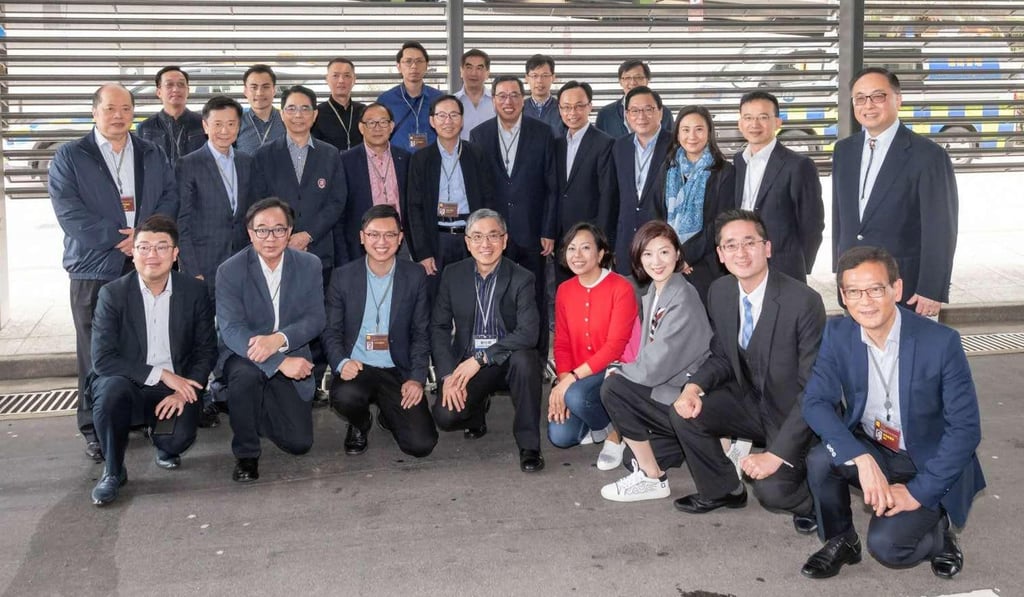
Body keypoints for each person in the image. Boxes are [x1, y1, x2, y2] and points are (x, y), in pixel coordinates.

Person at [800, 246, 984, 580]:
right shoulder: (838, 334)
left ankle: (939, 532)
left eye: (875, 289)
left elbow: (966, 430)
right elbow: (814, 401)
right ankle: (841, 540)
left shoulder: (940, 342)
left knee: (889, 548)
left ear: (896, 290)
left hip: (928, 458)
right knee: (821, 459)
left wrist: (917, 492)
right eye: (853, 292)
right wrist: (859, 456)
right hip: (875, 446)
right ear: (842, 296)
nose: (865, 301)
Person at [670, 210, 825, 535]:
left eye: (749, 243)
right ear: (721, 255)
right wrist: (693, 386)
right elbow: (723, 355)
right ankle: (722, 490)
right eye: (731, 245)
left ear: (767, 247)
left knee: (772, 491)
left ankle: (810, 502)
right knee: (684, 412)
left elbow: (813, 390)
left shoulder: (803, 302)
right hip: (750, 403)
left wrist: (776, 454)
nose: (741, 253)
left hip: (794, 414)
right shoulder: (721, 291)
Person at [48, 83, 179, 461]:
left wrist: (144, 237)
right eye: (110, 108)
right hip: (94, 266)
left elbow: (170, 197)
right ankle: (94, 427)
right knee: (95, 350)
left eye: (125, 108)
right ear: (95, 112)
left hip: (147, 266)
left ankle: (139, 417)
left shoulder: (150, 152)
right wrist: (117, 238)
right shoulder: (71, 156)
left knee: (146, 342)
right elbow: (69, 212)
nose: (118, 115)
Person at [88, 215, 217, 505]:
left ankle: (161, 439)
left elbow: (206, 350)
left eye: (161, 247)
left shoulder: (194, 292)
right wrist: (163, 375)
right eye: (144, 247)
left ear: (175, 254)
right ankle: (113, 471)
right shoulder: (113, 294)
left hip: (174, 388)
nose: (152, 255)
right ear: (132, 252)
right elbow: (103, 360)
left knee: (175, 441)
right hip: (129, 382)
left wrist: (187, 390)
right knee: (109, 392)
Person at [599, 221, 712, 502]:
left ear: (677, 254)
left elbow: (653, 366)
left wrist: (616, 370)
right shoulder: (655, 291)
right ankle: (704, 447)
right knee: (630, 457)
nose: (656, 261)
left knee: (613, 388)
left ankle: (653, 479)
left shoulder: (683, 296)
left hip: (692, 398)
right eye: (647, 254)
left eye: (664, 252)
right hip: (669, 389)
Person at [831, 67, 958, 317]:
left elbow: (941, 228)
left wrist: (932, 288)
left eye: (878, 96)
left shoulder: (928, 156)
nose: (868, 105)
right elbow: (841, 218)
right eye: (860, 98)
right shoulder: (844, 151)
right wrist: (841, 272)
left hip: (906, 287)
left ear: (898, 100)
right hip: (856, 285)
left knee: (913, 354)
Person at [216, 198, 326, 482]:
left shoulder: (309, 264)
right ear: (250, 233)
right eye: (261, 230)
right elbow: (231, 329)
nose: (270, 237)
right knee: (245, 377)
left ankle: (251, 409)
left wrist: (279, 340)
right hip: (244, 356)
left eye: (279, 230)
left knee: (299, 443)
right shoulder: (230, 270)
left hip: (292, 351)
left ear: (289, 232)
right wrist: (279, 362)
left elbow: (315, 319)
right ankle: (246, 454)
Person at [430, 209, 545, 473]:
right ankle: (476, 410)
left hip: (507, 361)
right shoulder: (452, 275)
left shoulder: (522, 278)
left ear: (505, 241)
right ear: (467, 242)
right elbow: (439, 326)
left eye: (493, 236)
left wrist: (482, 358)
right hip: (468, 363)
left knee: (526, 359)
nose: (486, 244)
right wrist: (448, 375)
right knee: (445, 417)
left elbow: (529, 333)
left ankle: (529, 445)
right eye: (478, 237)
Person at [323, 205, 437, 458]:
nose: (381, 242)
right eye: (374, 234)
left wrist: (417, 378)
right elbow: (331, 331)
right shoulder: (343, 277)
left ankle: (389, 412)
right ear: (362, 237)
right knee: (345, 396)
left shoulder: (415, 275)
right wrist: (341, 362)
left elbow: (421, 333)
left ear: (400, 238)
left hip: (398, 370)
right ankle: (360, 424)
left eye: (389, 235)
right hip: (359, 366)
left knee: (421, 445)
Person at [470, 75, 557, 359]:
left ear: (523, 99)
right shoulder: (479, 134)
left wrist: (548, 229)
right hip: (493, 236)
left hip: (532, 232)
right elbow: (479, 189)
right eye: (502, 96)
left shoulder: (542, 132)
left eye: (514, 95)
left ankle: (539, 358)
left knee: (535, 297)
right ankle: (496, 358)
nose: (508, 102)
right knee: (494, 296)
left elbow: (551, 186)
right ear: (493, 100)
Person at [548, 223, 637, 470]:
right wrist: (564, 379)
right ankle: (599, 420)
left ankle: (615, 434)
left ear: (600, 254)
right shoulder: (565, 290)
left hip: (613, 371)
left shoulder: (621, 288)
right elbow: (562, 342)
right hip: (578, 377)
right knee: (560, 437)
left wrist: (568, 385)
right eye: (571, 248)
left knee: (575, 395)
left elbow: (614, 347)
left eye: (586, 248)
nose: (577, 255)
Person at [252, 85, 347, 278]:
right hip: (276, 250)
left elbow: (336, 201)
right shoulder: (263, 155)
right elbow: (258, 203)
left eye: (305, 109)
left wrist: (307, 235)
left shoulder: (330, 154)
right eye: (292, 108)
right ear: (282, 114)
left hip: (320, 250)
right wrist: (284, 237)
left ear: (315, 115)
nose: (298, 115)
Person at [732, 91, 824, 283]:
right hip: (742, 264)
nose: (754, 124)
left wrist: (800, 263)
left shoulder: (798, 165)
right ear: (740, 123)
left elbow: (812, 224)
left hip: (784, 268)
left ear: (777, 123)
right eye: (748, 118)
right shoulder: (738, 162)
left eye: (763, 117)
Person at [406, 95, 492, 297]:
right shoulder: (420, 158)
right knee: (435, 301)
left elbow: (488, 198)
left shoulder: (476, 154)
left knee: (471, 298)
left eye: (454, 115)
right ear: (432, 121)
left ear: (462, 120)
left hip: (470, 238)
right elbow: (414, 207)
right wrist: (423, 252)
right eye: (442, 115)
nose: (448, 121)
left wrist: (483, 239)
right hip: (436, 238)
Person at [176, 95, 254, 298]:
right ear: (205, 126)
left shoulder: (248, 162)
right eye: (217, 124)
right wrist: (193, 271)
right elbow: (181, 222)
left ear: (239, 126)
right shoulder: (188, 164)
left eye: (231, 124)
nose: (224, 130)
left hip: (243, 263)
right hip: (204, 265)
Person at [656, 105, 736, 303]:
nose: (692, 136)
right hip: (669, 264)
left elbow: (721, 222)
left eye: (699, 129)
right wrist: (670, 255)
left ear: (709, 133)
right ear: (677, 134)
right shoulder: (668, 168)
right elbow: (657, 214)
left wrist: (685, 256)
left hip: (706, 265)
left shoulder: (724, 171)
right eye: (685, 129)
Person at [553, 81, 617, 286]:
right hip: (563, 236)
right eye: (566, 107)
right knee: (565, 292)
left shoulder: (604, 143)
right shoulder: (557, 144)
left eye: (579, 106)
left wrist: (600, 239)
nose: (572, 112)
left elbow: (608, 194)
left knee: (593, 290)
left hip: (590, 236)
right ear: (559, 109)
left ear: (590, 106)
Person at [611, 87, 673, 275]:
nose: (641, 116)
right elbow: (615, 197)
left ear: (660, 112)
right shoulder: (620, 146)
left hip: (661, 242)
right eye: (635, 111)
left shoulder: (675, 145)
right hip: (626, 243)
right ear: (627, 115)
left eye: (648, 109)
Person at [338, 102, 410, 263]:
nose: (377, 128)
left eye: (383, 122)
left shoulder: (405, 159)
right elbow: (340, 212)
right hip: (362, 243)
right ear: (361, 128)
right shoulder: (345, 161)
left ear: (391, 126)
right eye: (371, 123)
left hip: (399, 241)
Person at [376, 41, 443, 152]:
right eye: (408, 61)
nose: (414, 66)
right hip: (397, 162)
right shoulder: (385, 100)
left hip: (431, 162)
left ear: (427, 65)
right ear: (399, 67)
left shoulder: (439, 99)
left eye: (419, 61)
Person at [135, 66, 206, 164]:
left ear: (188, 91)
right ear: (159, 92)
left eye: (181, 84)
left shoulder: (203, 124)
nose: (176, 89)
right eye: (169, 85)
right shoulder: (145, 128)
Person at [595, 59, 673, 138]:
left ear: (647, 80)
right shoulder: (605, 114)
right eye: (627, 78)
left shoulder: (664, 113)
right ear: (620, 82)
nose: (632, 82)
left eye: (638, 77)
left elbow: (671, 145)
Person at [311, 57, 365, 152]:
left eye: (347, 76)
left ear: (354, 79)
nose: (341, 81)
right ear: (327, 79)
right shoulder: (316, 113)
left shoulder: (364, 111)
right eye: (335, 76)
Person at [237, 64, 285, 155]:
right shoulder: (236, 121)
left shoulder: (287, 120)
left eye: (265, 87)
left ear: (274, 90)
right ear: (245, 91)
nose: (259, 93)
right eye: (254, 87)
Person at [454, 49, 494, 140]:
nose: (473, 73)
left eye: (479, 68)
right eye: (469, 67)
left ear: (487, 73)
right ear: (461, 71)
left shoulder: (498, 102)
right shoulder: (452, 102)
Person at [523, 54, 564, 137]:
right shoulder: (519, 109)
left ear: (553, 77)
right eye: (534, 76)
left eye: (545, 76)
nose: (539, 81)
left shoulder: (563, 109)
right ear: (526, 78)